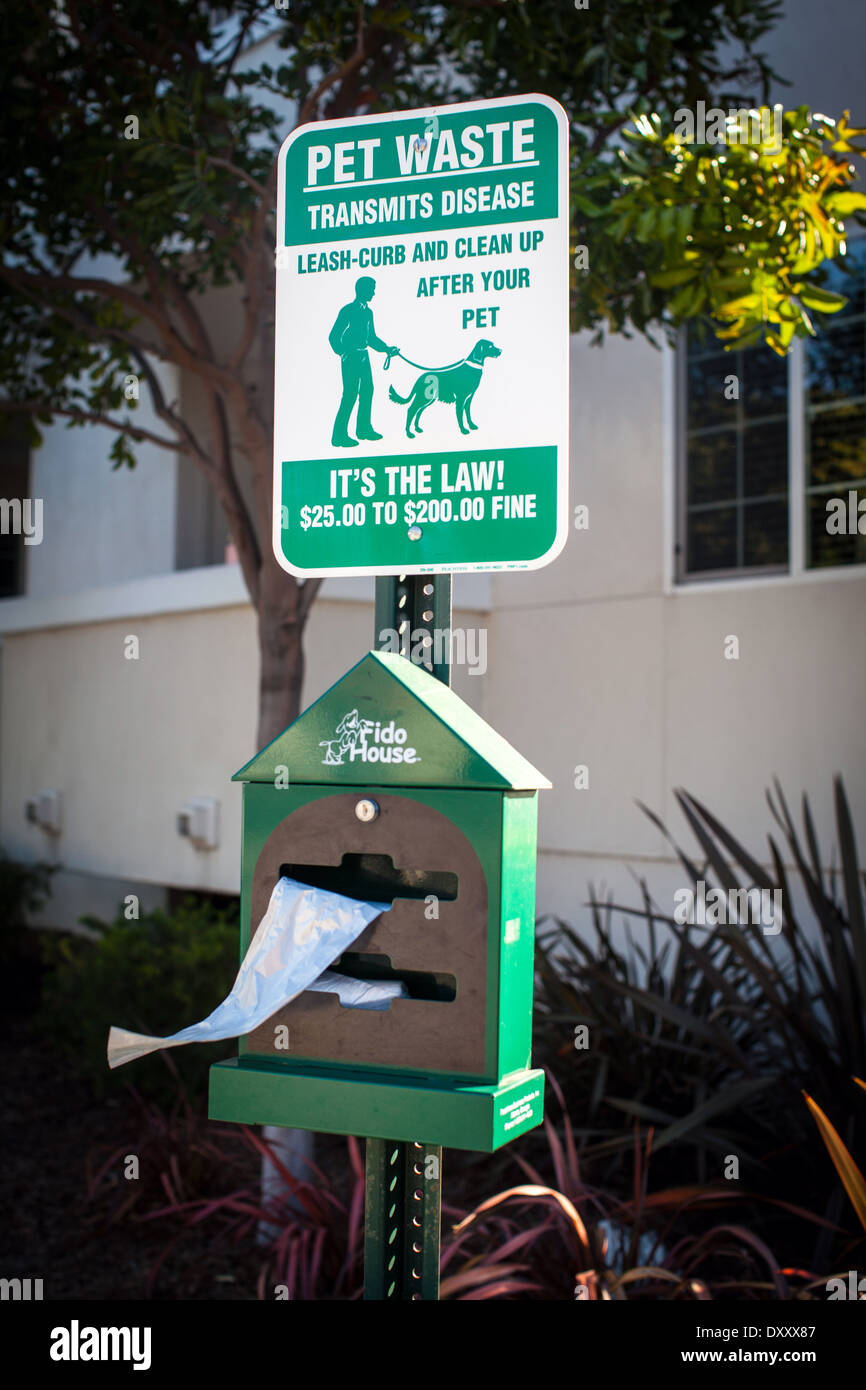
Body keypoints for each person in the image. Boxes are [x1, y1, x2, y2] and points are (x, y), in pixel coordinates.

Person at [328, 276, 398, 447]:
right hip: (351, 357)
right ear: (362, 290)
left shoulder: (368, 312)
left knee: (368, 391)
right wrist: (342, 352)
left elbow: (371, 338)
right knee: (350, 394)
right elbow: (333, 336)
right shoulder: (348, 310)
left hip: (364, 357)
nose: (373, 293)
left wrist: (387, 349)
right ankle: (339, 436)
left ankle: (363, 429)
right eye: (371, 289)